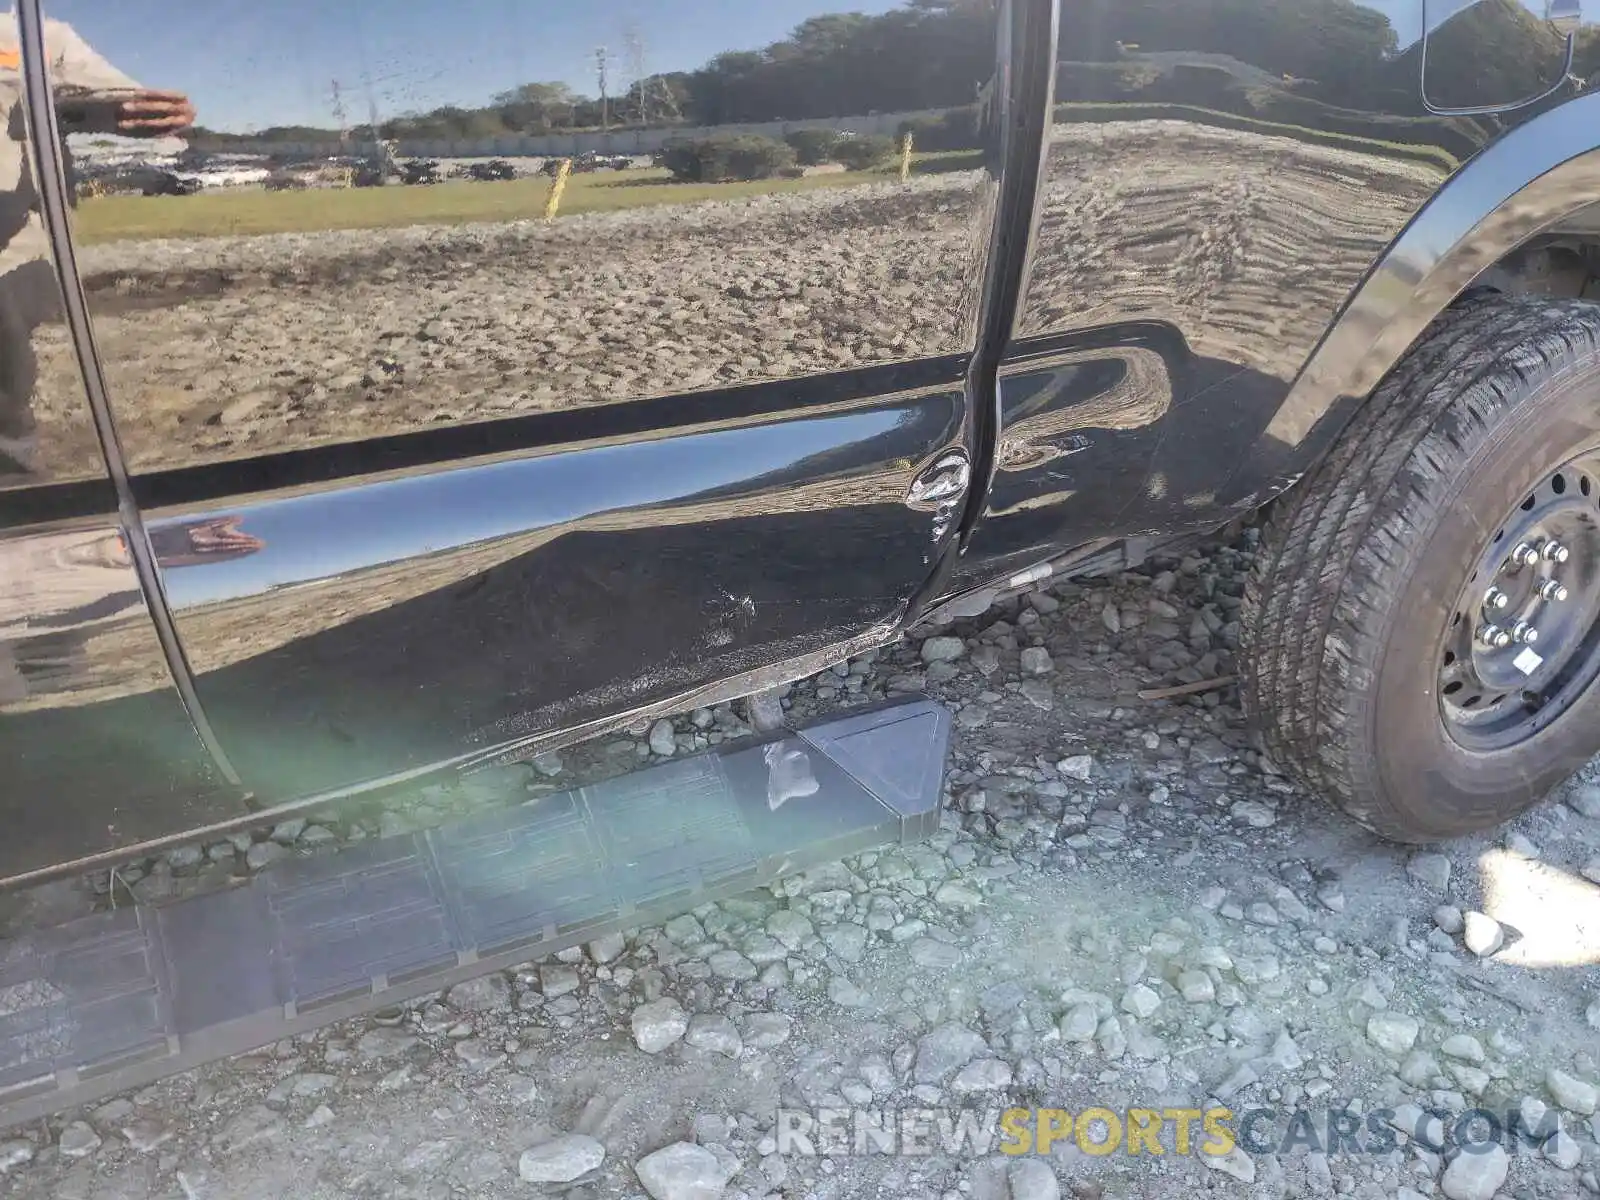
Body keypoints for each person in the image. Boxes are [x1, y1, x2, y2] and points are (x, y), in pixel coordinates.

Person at [0, 14, 193, 477]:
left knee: (8, 375)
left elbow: (107, 101)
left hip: (13, 252)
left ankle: (13, 467)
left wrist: (145, 115)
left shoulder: (35, 35)